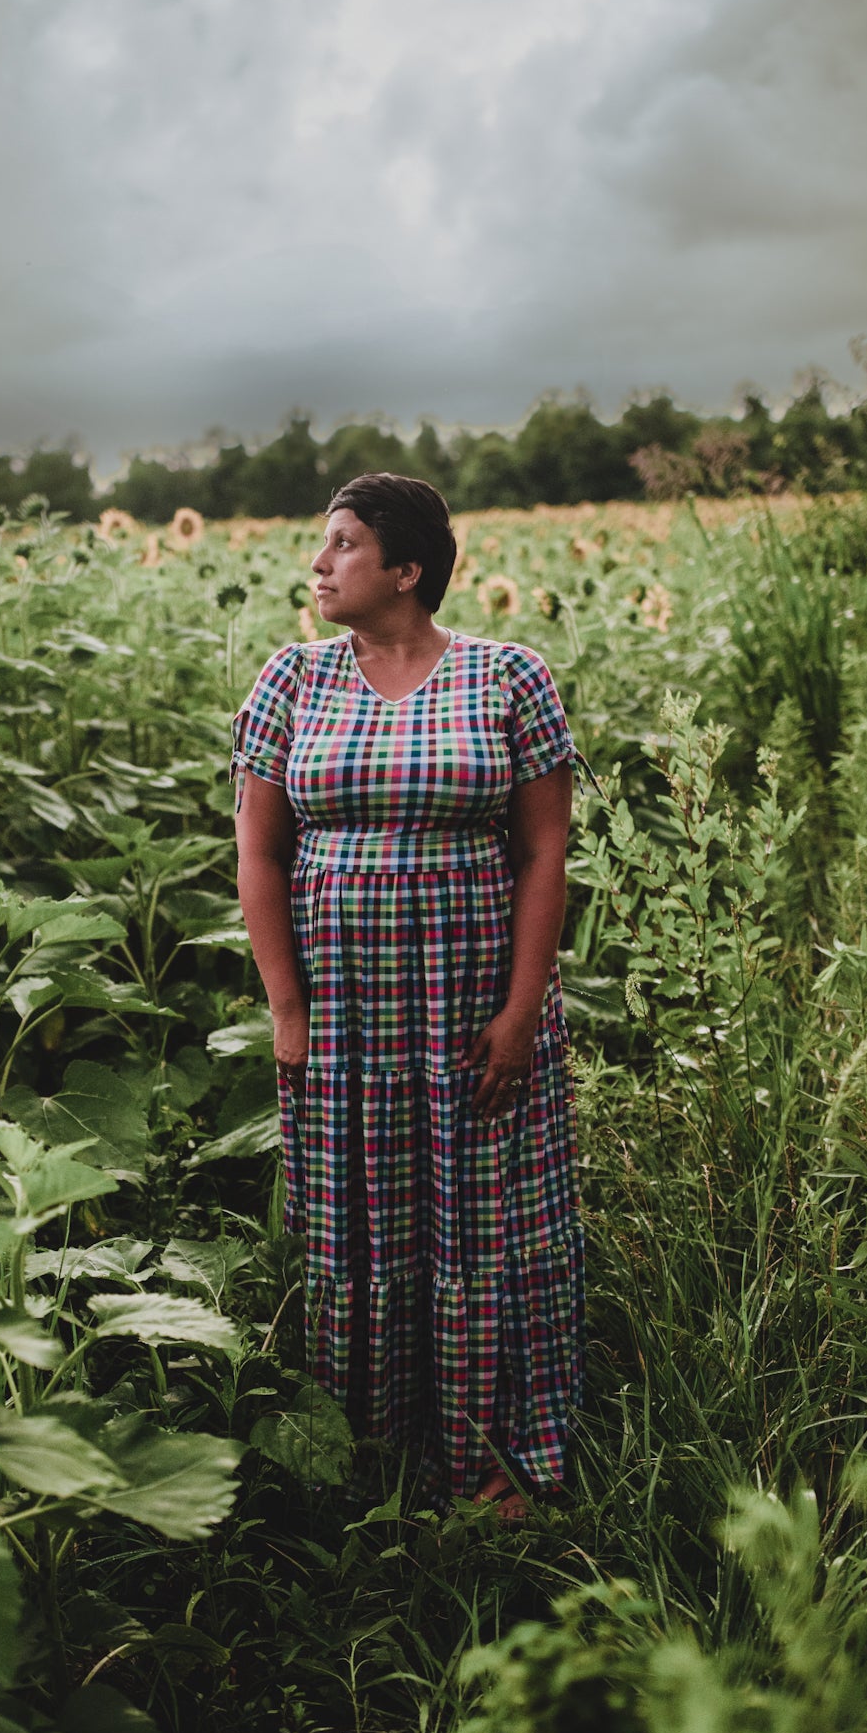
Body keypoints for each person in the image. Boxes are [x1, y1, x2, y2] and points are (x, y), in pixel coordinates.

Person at [231, 473, 582, 1516]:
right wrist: (287, 1009)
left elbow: (544, 850)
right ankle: (373, 1461)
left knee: (482, 1224)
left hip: (471, 1007)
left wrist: (520, 1017)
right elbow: (257, 852)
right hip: (343, 1017)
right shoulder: (292, 681)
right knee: (359, 1228)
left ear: (406, 568)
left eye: (342, 544)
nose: (320, 563)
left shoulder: (508, 677)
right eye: (321, 543)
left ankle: (494, 1459)